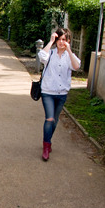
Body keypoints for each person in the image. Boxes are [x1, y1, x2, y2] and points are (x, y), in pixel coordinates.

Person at [38, 28, 81, 161]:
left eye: (64, 39)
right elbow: (41, 57)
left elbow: (76, 66)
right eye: (59, 39)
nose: (61, 42)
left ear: (68, 41)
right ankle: (46, 147)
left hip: (62, 93)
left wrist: (69, 50)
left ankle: (48, 141)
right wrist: (50, 42)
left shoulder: (69, 56)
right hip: (48, 92)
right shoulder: (50, 53)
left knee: (55, 121)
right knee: (49, 119)